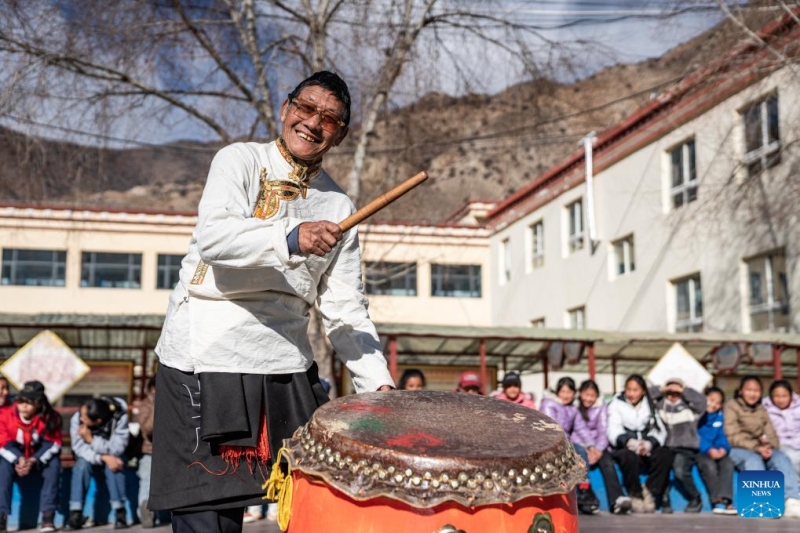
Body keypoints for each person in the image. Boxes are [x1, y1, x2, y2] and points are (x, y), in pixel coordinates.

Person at [150, 70, 394, 532]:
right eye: (305, 108)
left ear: (340, 135)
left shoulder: (339, 207)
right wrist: (292, 236)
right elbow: (215, 238)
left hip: (285, 365)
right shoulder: (238, 160)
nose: (313, 123)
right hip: (205, 355)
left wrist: (376, 384)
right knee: (210, 520)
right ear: (286, 110)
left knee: (312, 508)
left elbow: (345, 310)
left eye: (329, 118)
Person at [724, 375, 800, 517]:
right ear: (741, 391)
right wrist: (757, 448)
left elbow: (771, 433)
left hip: (759, 448)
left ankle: (792, 500)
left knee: (781, 458)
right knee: (753, 460)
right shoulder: (732, 406)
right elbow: (732, 435)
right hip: (737, 449)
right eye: (749, 390)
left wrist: (770, 446)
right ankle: (760, 504)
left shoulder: (761, 409)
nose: (753, 394)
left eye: (757, 390)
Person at [0, 381, 62, 533]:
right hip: (15, 457)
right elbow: (3, 442)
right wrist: (19, 459)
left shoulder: (50, 417)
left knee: (54, 465)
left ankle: (48, 516)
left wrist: (34, 459)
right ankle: (1, 517)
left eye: (30, 402)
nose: (24, 406)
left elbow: (54, 443)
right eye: (21, 401)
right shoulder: (7, 415)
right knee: (3, 468)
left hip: (38, 457)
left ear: (39, 404)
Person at [607, 374, 670, 514]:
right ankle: (635, 493)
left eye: (635, 390)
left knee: (665, 455)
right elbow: (613, 429)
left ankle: (649, 490)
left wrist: (648, 444)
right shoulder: (616, 404)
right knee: (628, 457)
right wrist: (630, 442)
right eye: (628, 389)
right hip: (626, 447)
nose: (631, 393)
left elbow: (660, 430)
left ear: (643, 391)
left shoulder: (651, 404)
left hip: (646, 447)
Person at [67, 396, 131, 530]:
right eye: (82, 414)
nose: (81, 418)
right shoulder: (77, 418)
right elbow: (79, 448)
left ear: (98, 421)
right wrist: (103, 457)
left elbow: (117, 448)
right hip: (89, 455)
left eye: (85, 418)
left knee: (115, 465)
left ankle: (120, 511)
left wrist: (91, 440)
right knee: (81, 466)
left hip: (114, 454)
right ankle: (75, 513)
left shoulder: (119, 417)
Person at [571, 379, 631, 515]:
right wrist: (587, 448)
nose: (589, 399)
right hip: (580, 446)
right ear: (580, 394)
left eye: (592, 395)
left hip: (599, 447)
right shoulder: (573, 408)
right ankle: (584, 499)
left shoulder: (601, 408)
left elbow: (603, 430)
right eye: (586, 394)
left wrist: (597, 450)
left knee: (607, 462)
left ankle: (617, 499)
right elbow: (575, 431)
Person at [540, 377, 598, 515]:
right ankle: (576, 492)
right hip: (550, 442)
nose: (566, 395)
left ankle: (583, 488)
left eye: (569, 392)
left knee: (581, 451)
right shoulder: (549, 404)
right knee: (573, 452)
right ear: (557, 392)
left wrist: (591, 446)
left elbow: (581, 428)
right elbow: (551, 427)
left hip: (566, 442)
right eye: (563, 391)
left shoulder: (572, 409)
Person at [650, 378, 706, 514]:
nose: (673, 395)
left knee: (680, 470)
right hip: (665, 447)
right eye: (670, 392)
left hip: (685, 447)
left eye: (676, 393)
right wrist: (662, 389)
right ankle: (663, 498)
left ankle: (695, 497)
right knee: (661, 467)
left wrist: (683, 390)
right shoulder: (659, 406)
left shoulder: (690, 408)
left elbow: (702, 402)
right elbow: (645, 396)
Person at [696, 386, 736, 515]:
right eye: (711, 400)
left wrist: (723, 449)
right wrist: (708, 449)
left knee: (728, 464)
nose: (713, 405)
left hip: (717, 451)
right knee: (709, 466)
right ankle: (716, 500)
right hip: (701, 452)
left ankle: (726, 499)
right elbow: (697, 436)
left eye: (718, 403)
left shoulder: (720, 417)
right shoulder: (697, 416)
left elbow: (722, 436)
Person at [763, 379, 800, 478]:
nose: (780, 400)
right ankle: (795, 487)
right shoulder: (765, 410)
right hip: (780, 445)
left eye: (784, 396)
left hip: (798, 441)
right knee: (791, 458)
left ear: (790, 396)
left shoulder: (798, 407)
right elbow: (763, 430)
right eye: (777, 396)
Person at [136, 377, 157, 528]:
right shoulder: (145, 406)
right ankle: (146, 513)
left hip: (171, 453)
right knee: (146, 483)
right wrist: (157, 406)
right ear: (152, 389)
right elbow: (147, 430)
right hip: (150, 452)